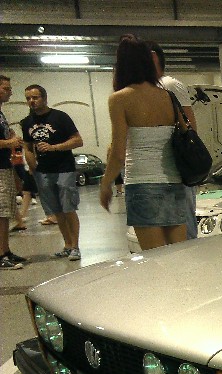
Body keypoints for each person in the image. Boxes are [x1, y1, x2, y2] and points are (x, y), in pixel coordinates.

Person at [100, 34, 187, 251]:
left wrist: (105, 183)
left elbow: (118, 153)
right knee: (179, 256)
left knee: (155, 258)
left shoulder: (119, 99)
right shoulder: (168, 96)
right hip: (174, 183)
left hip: (142, 185)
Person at [21, 84, 83, 261]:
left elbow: (78, 141)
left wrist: (54, 147)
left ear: (44, 98)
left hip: (64, 168)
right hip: (43, 172)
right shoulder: (27, 122)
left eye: (35, 97)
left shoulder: (60, 117)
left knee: (68, 208)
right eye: (28, 98)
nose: (32, 101)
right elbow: (28, 146)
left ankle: (75, 246)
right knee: (57, 211)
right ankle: (67, 245)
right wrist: (32, 165)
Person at [148, 41, 198, 239]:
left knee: (184, 227)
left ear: (154, 58)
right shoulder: (146, 89)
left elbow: (190, 126)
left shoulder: (169, 85)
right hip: (157, 171)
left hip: (176, 168)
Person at [0, 74, 27, 270]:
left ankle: (6, 251)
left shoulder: (1, 114)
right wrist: (9, 142)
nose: (10, 92)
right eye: (6, 89)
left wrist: (11, 138)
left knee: (6, 211)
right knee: (1, 212)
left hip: (5, 166)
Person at [11, 138, 37, 230]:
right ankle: (21, 217)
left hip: (32, 166)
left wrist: (32, 165)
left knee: (43, 190)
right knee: (26, 191)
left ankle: (53, 215)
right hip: (28, 166)